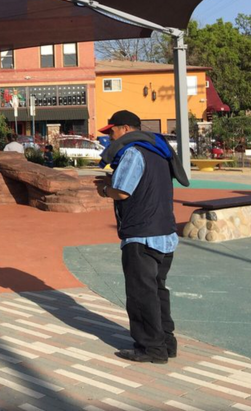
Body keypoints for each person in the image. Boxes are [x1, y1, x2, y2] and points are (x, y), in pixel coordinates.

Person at [94, 110, 189, 364]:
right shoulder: (159, 152)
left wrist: (104, 189)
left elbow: (122, 192)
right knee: (157, 290)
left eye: (111, 131)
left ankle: (150, 348)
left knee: (140, 294)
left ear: (125, 129)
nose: (110, 137)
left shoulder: (133, 152)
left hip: (142, 235)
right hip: (165, 233)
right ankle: (166, 343)